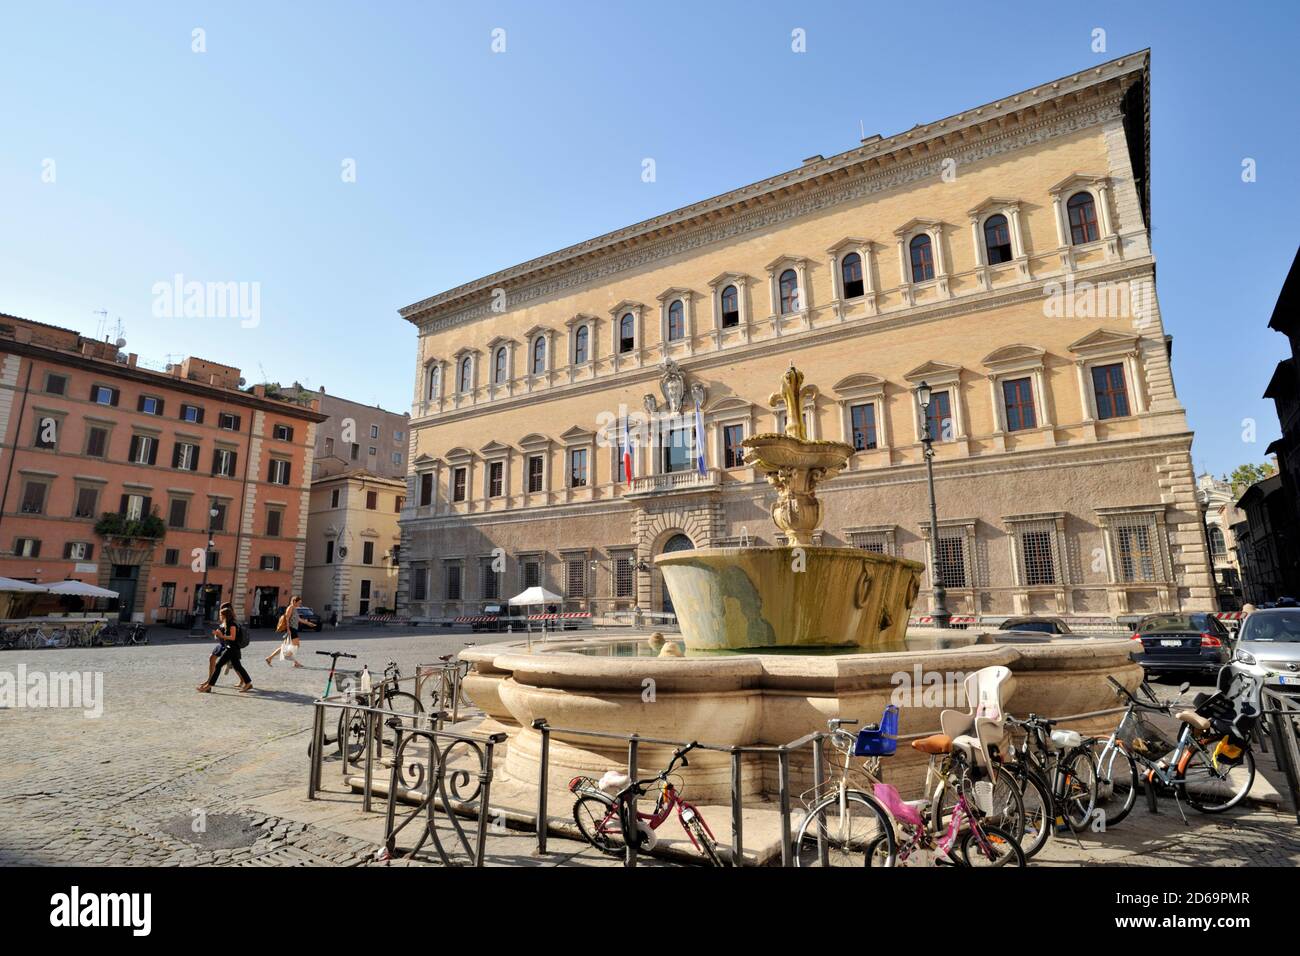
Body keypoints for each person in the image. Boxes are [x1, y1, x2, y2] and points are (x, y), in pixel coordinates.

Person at [197, 604, 252, 693]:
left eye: (221, 615)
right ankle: (248, 683)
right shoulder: (227, 623)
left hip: (232, 648)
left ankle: (209, 685)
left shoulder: (232, 624)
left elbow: (233, 637)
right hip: (230, 648)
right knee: (238, 666)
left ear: (225, 615)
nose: (220, 616)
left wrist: (222, 635)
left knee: (218, 665)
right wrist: (218, 634)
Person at [266, 594, 308, 668]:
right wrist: (288, 629)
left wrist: (306, 622)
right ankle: (292, 659)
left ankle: (269, 658)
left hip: (293, 629)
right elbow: (287, 619)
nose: (300, 604)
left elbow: (298, 619)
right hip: (291, 629)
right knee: (296, 646)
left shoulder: (294, 608)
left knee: (284, 647)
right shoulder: (290, 607)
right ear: (294, 601)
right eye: (299, 602)